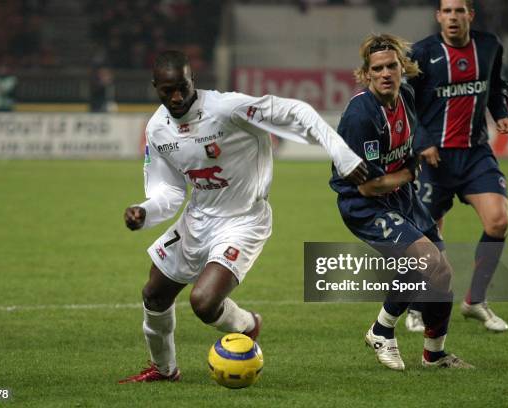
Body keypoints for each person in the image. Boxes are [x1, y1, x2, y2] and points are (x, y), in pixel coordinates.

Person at [118, 50, 368, 383]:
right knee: (154, 294)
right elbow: (171, 192)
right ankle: (164, 370)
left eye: (183, 87)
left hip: (243, 220)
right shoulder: (158, 130)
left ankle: (248, 325)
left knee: (204, 303)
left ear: (193, 79)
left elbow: (298, 111)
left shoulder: (227, 108)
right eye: (168, 91)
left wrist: (343, 156)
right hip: (198, 218)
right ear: (155, 88)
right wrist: (144, 211)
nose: (177, 97)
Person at [330, 34, 474, 370]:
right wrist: (410, 173)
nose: (385, 73)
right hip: (364, 204)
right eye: (377, 68)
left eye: (391, 66)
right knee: (425, 260)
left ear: (401, 68)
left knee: (441, 275)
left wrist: (412, 163)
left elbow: (409, 144)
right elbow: (368, 187)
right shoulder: (360, 116)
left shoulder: (406, 95)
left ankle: (434, 354)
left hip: (401, 197)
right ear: (366, 74)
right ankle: (381, 330)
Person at [405, 0, 508, 333]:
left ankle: (475, 301)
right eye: (447, 11)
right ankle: (416, 306)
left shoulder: (489, 45)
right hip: (433, 158)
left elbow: (495, 86)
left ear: (470, 15)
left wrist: (501, 112)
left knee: (498, 222)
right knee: (427, 237)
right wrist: (422, 142)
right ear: (438, 16)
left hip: (475, 153)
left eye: (459, 11)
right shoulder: (422, 53)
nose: (453, 17)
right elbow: (405, 102)